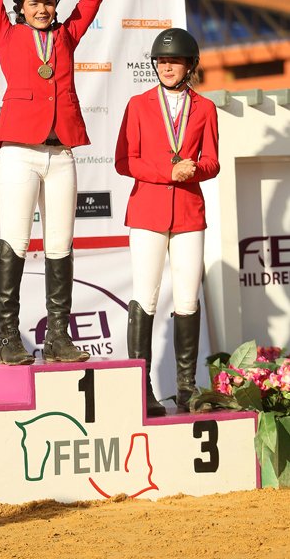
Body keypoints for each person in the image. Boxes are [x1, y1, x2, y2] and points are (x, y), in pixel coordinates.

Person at [0, 0, 104, 366]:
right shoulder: (7, 34)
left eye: (49, 0)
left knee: (60, 245)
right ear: (21, 5)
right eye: (34, 1)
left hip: (62, 154)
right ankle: (8, 336)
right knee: (15, 240)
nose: (43, 8)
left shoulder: (67, 35)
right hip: (18, 154)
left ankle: (57, 336)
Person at [115, 28, 220, 415]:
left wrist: (191, 171)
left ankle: (187, 388)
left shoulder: (205, 108)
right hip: (147, 212)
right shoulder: (139, 104)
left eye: (174, 61)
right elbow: (125, 160)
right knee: (146, 296)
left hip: (190, 214)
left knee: (188, 298)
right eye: (161, 61)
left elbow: (212, 161)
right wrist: (168, 171)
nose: (167, 67)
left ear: (190, 65)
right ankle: (141, 388)